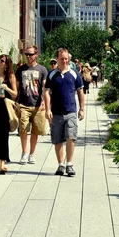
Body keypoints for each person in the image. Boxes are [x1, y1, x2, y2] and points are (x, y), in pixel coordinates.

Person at [44, 48, 85, 176]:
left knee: (70, 137)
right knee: (57, 139)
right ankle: (61, 164)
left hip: (70, 111)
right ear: (57, 59)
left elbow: (80, 90)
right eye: (62, 59)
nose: (65, 61)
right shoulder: (52, 75)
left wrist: (82, 109)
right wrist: (47, 109)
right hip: (56, 112)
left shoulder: (74, 74)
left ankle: (70, 164)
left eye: (67, 59)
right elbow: (46, 92)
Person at [15, 45, 48, 165]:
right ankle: (24, 153)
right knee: (23, 129)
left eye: (30, 54)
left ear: (36, 55)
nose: (28, 57)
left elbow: (45, 88)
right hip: (23, 103)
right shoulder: (20, 70)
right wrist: (15, 101)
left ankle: (31, 154)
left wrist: (45, 101)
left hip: (38, 104)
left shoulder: (42, 70)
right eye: (26, 54)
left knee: (35, 131)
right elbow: (17, 87)